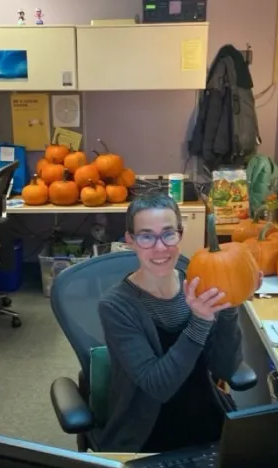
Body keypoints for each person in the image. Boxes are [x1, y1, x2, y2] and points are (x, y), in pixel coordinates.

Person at [97, 193, 253, 453]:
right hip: (146, 436)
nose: (160, 248)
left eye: (168, 234)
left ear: (180, 234)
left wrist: (230, 304)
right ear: (130, 241)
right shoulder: (115, 305)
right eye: (146, 236)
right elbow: (158, 386)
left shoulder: (200, 282)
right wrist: (200, 321)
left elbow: (225, 367)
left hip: (207, 419)